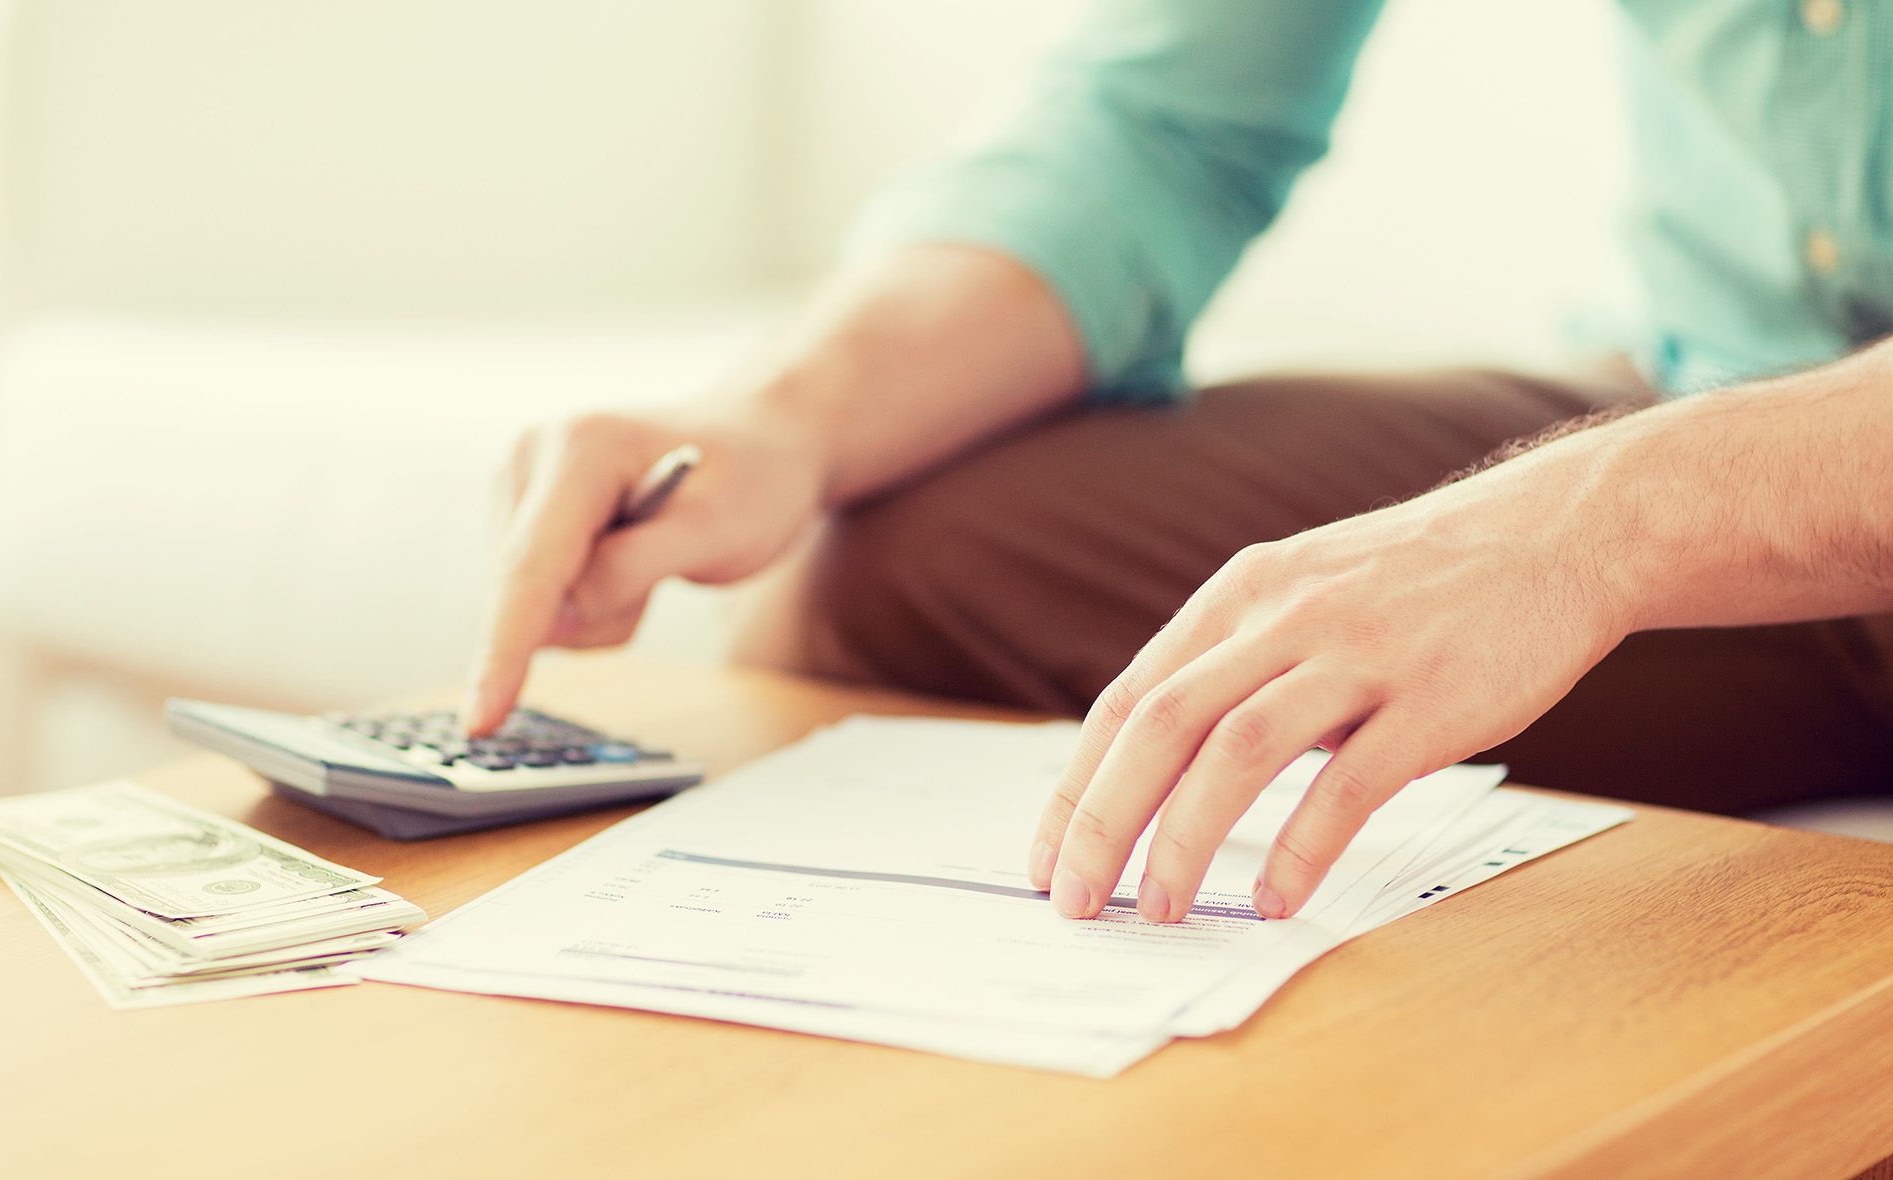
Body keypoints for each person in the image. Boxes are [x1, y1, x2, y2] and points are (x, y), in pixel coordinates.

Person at [461, 2, 1893, 926]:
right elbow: (1163, 119)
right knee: (911, 565)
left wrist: (1588, 526)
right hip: (1709, 382)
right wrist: (787, 412)